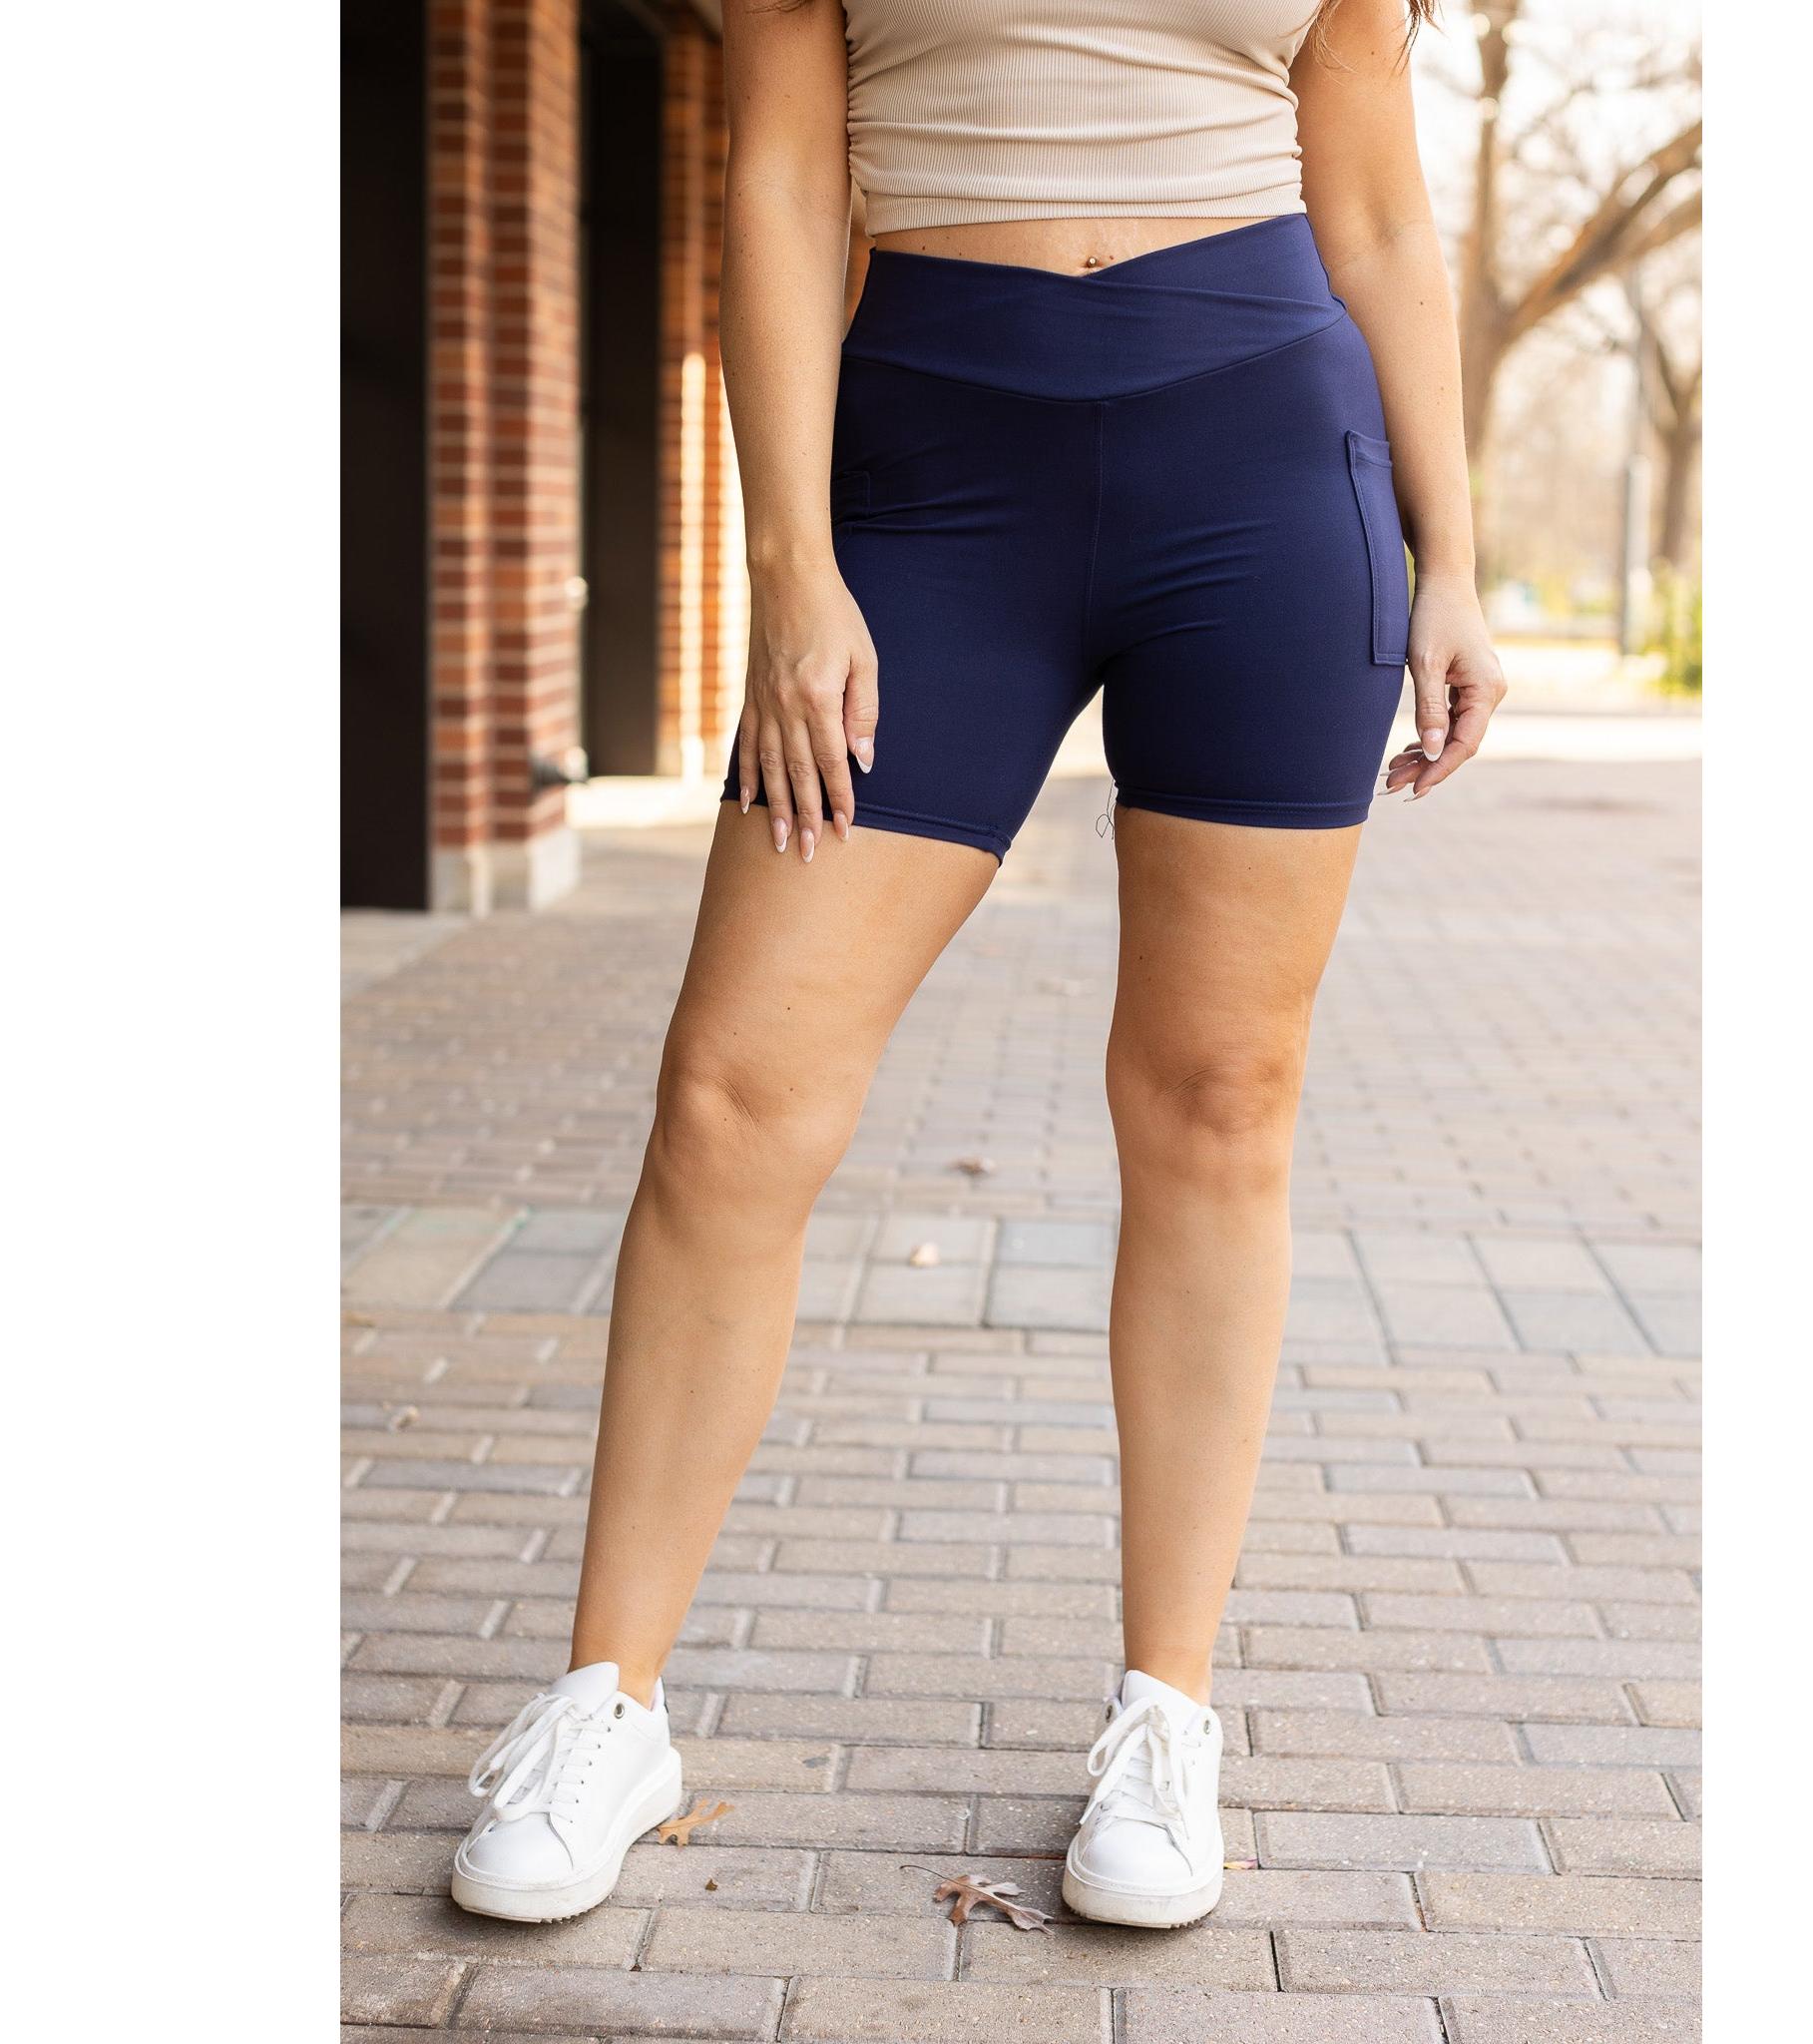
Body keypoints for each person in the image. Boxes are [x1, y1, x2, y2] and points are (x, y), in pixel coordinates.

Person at [451, 0, 1506, 1930]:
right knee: (734, 1097)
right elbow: (784, 173)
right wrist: (790, 568)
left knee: (1218, 1099)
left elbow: (1369, 194)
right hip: (932, 476)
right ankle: (607, 1704)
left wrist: (1454, 552)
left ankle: (1165, 1718)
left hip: (1268, 467)